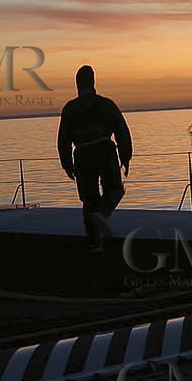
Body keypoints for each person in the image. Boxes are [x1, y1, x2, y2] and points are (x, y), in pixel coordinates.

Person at [57, 65, 132, 251]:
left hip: (82, 155)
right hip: (105, 151)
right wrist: (125, 157)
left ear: (77, 84)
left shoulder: (70, 109)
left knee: (89, 200)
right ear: (93, 81)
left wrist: (67, 164)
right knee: (114, 189)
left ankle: (95, 242)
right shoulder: (106, 105)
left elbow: (63, 140)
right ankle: (103, 212)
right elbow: (122, 131)